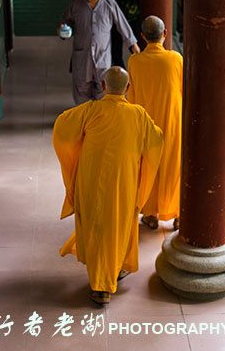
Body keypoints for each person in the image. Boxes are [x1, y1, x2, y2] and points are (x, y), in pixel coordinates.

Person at [54, 67, 163, 304]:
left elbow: (61, 129)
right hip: (124, 181)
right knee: (119, 224)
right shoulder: (138, 114)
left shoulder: (89, 110)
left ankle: (101, 282)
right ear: (128, 88)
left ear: (103, 87)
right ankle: (106, 280)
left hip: (90, 178)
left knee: (95, 225)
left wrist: (76, 148)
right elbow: (155, 141)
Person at [127, 16, 182, 231]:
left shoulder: (134, 62)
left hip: (146, 125)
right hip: (171, 122)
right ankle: (178, 214)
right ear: (165, 34)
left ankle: (150, 215)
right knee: (173, 167)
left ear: (142, 37)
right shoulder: (175, 59)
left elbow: (129, 94)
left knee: (147, 167)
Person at [59, 0, 140, 105]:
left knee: (104, 92)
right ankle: (85, 121)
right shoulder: (76, 5)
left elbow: (123, 25)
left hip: (102, 58)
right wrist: (62, 30)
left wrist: (134, 47)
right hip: (82, 58)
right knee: (81, 93)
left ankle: (100, 121)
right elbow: (65, 24)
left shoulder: (109, 4)